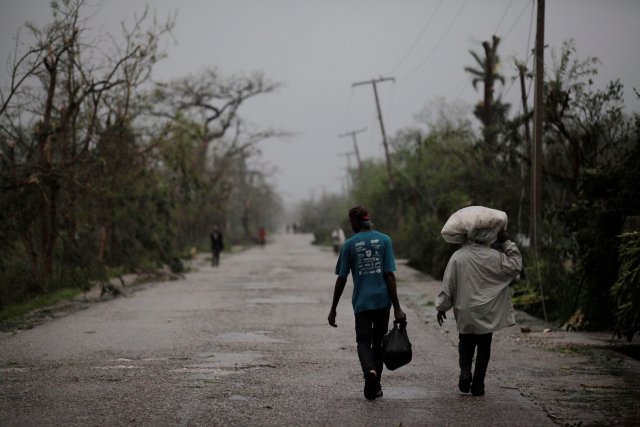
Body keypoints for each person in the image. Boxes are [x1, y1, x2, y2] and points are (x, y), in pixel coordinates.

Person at [328, 205, 406, 400]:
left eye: (350, 221)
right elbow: (389, 275)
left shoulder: (349, 245)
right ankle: (374, 386)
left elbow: (342, 279)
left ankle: (370, 372)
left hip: (362, 304)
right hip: (382, 303)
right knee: (378, 343)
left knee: (363, 342)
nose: (350, 225)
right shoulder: (384, 241)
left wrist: (333, 309)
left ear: (356, 221)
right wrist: (397, 307)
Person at [436, 228, 522, 397]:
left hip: (465, 309)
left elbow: (448, 286)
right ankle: (478, 385)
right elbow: (516, 265)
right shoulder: (495, 256)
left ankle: (465, 371)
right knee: (484, 346)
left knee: (465, 342)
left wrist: (442, 307)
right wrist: (507, 242)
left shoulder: (457, 257)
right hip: (487, 310)